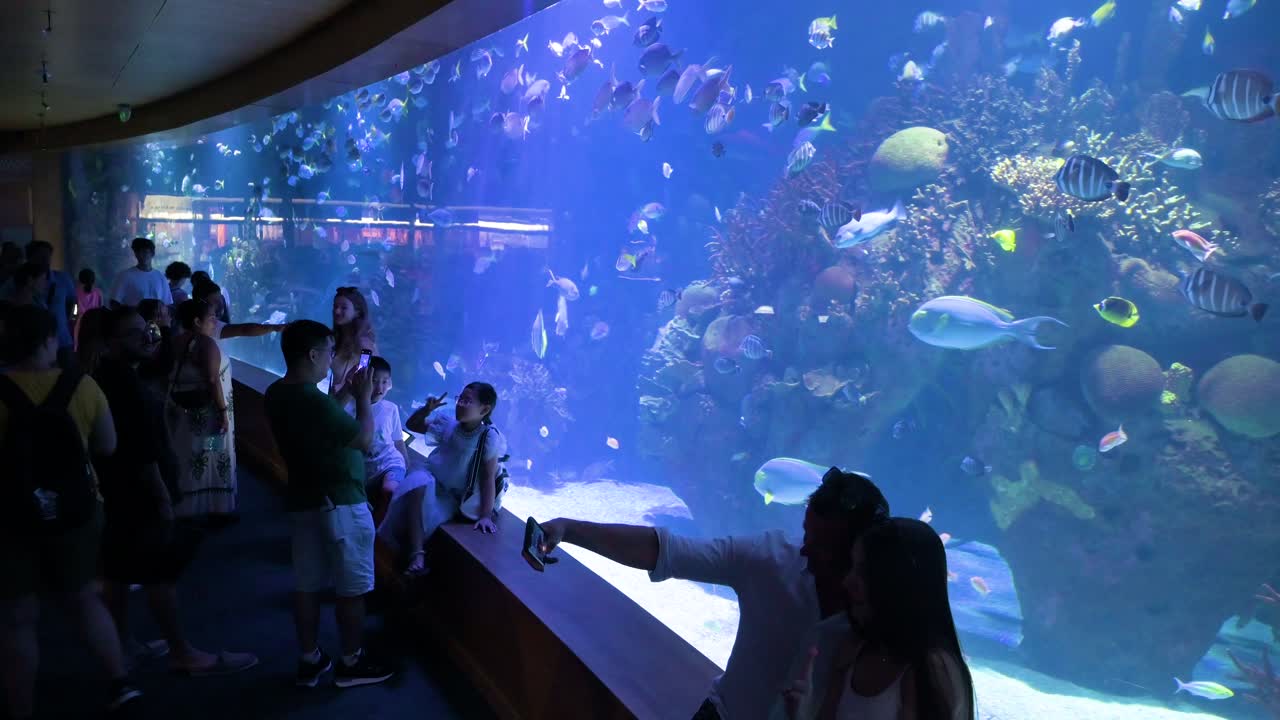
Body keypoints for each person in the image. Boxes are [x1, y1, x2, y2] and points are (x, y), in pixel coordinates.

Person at [539, 468, 890, 720]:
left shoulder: (891, 614)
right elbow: (668, 551)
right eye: (806, 534)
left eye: (825, 546)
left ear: (864, 549)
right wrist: (570, 529)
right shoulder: (770, 558)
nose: (806, 550)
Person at [90, 306, 258, 677]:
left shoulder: (109, 377)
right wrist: (163, 497)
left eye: (147, 329)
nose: (149, 337)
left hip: (122, 494)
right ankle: (183, 652)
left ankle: (126, 643)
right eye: (136, 334)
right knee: (157, 573)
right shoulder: (126, 386)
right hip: (142, 493)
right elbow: (140, 451)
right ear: (110, 343)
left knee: (120, 569)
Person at [0, 305, 142, 717]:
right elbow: (108, 446)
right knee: (84, 598)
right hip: (78, 510)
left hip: (11, 517)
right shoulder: (81, 386)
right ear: (50, 339)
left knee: (16, 616)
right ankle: (120, 683)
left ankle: (21, 709)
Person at [264, 320, 394, 689]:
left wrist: (350, 394)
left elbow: (323, 415)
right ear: (313, 354)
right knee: (351, 588)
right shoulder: (311, 401)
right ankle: (351, 662)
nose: (332, 358)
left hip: (304, 499)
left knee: (306, 584)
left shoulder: (279, 393)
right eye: (329, 351)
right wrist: (365, 400)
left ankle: (309, 659)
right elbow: (365, 441)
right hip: (340, 502)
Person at [780, 518, 975, 720]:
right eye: (852, 568)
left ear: (899, 582)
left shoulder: (931, 669)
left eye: (863, 572)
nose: (847, 582)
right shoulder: (853, 649)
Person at [166, 298, 283, 521]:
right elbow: (212, 379)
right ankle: (215, 507)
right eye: (211, 319)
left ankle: (188, 505)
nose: (215, 322)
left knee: (191, 452)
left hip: (187, 412)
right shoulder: (206, 343)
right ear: (197, 321)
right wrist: (222, 413)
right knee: (213, 451)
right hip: (210, 415)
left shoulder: (176, 341)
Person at [384, 383, 508, 575]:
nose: (460, 404)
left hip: (450, 496)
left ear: (484, 409)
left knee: (417, 494)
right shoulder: (450, 426)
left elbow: (487, 478)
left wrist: (485, 515)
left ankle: (411, 558)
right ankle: (416, 555)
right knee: (417, 483)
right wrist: (426, 410)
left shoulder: (488, 438)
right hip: (431, 479)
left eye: (468, 401)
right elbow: (412, 425)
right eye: (460, 399)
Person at [360, 356, 408, 526]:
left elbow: (398, 441)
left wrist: (406, 466)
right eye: (374, 381)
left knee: (389, 489)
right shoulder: (350, 405)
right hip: (364, 467)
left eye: (384, 382)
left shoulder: (391, 408)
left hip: (390, 462)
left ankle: (376, 531)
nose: (380, 388)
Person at [328, 287, 377, 399]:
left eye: (343, 308)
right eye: (335, 306)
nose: (337, 311)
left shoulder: (364, 344)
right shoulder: (335, 337)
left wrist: (343, 386)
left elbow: (364, 372)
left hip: (348, 403)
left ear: (357, 312)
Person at [110, 237, 172, 308]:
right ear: (135, 254)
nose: (142, 255)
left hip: (157, 319)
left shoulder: (160, 277)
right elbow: (114, 302)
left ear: (152, 254)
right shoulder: (125, 276)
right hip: (133, 318)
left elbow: (168, 303)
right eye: (138, 252)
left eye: (145, 252)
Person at [75, 268, 104, 349]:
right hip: (95, 323)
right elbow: (101, 309)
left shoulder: (76, 292)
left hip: (80, 323)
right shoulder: (98, 292)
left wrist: (73, 319)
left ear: (80, 280)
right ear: (93, 280)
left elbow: (75, 310)